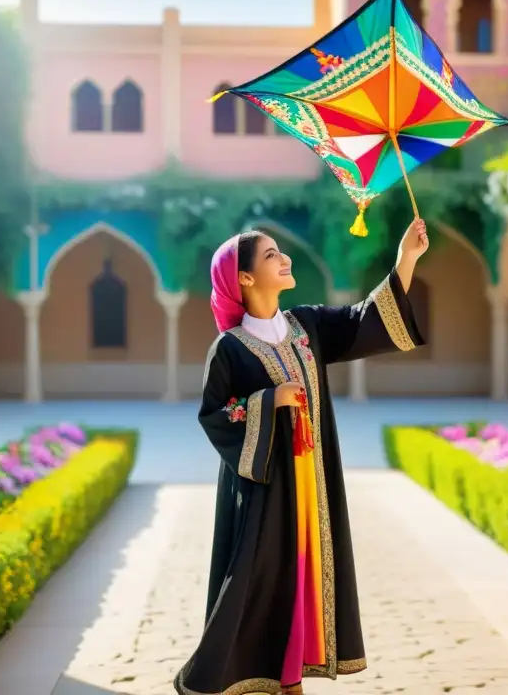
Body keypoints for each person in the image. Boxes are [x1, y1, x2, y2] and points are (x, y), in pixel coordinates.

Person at [173, 219, 429, 695]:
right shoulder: (228, 349)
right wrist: (269, 400)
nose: (284, 258)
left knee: (310, 572)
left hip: (315, 483)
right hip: (264, 491)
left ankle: (294, 676)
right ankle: (241, 674)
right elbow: (214, 415)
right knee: (263, 579)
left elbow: (362, 322)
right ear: (244, 278)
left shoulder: (306, 325)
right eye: (271, 255)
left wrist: (405, 259)